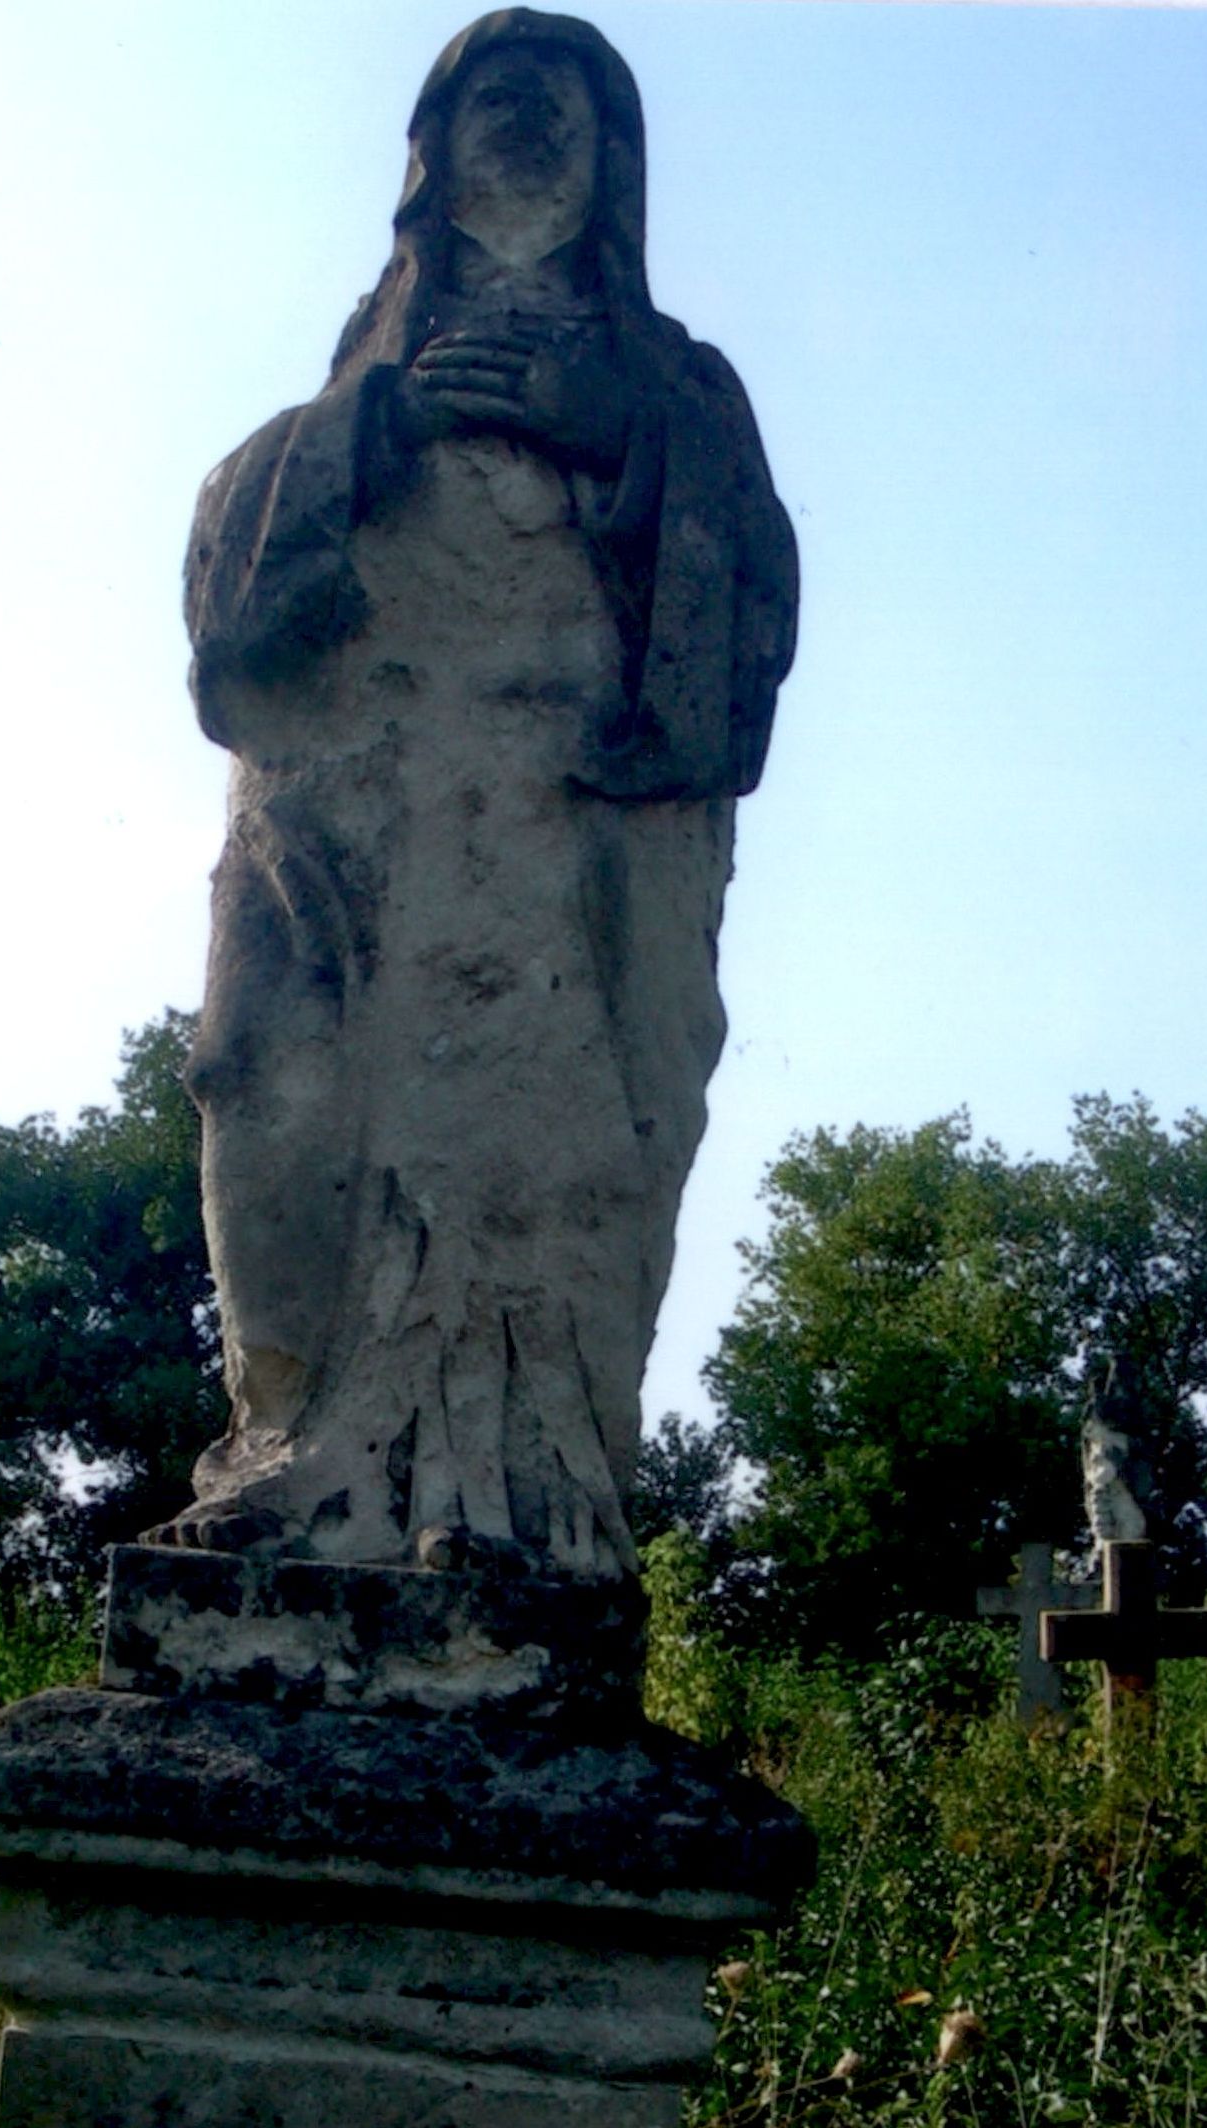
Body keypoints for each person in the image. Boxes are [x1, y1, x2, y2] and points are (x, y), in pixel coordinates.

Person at [169, 8, 797, 1576]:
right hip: (353, 841)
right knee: (261, 1072)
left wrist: (625, 446)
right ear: (428, 154)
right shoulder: (360, 378)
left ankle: (520, 1498)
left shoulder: (679, 389)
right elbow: (226, 592)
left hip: (560, 840)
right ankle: (291, 1441)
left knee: (562, 1143)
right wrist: (375, 433)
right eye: (492, 96)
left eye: (561, 102)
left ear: (616, 159)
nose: (524, 121)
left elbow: (756, 620)